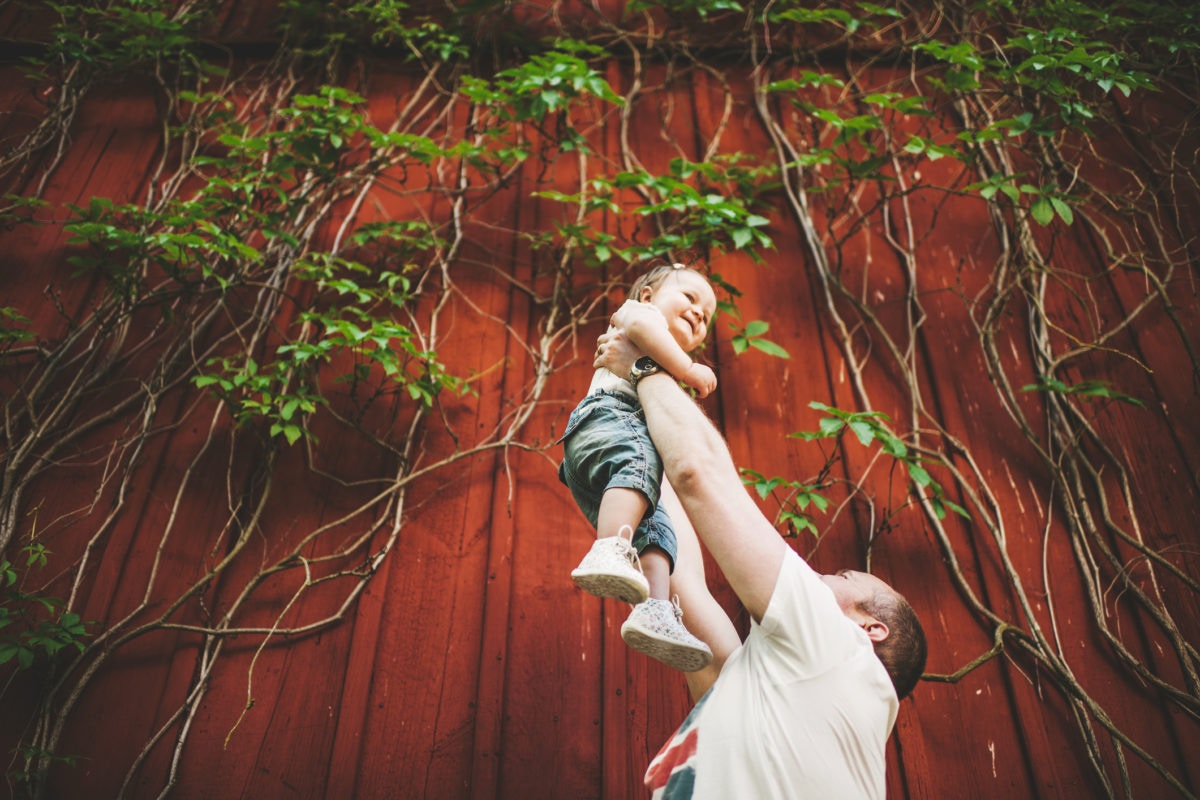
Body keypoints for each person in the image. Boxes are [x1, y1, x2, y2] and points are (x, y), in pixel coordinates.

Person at [593, 316, 927, 800]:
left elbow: (698, 473)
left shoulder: (842, 650)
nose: (819, 575)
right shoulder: (781, 687)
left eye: (841, 576)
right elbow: (686, 587)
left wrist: (644, 363)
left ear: (870, 628)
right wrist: (642, 462)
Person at [558, 262, 719, 672]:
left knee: (659, 531)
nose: (700, 314)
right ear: (648, 295)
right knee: (640, 463)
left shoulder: (658, 357)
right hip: (608, 422)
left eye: (707, 317)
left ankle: (655, 610)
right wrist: (686, 369)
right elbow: (648, 335)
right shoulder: (637, 315)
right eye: (690, 298)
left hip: (612, 466)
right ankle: (610, 547)